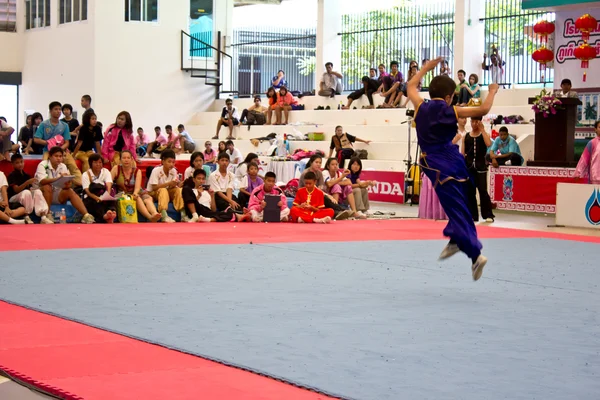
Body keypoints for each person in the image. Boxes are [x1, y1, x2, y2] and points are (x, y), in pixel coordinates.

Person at [406, 56, 499, 281]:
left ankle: (475, 254)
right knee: (459, 205)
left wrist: (426, 68)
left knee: (456, 209)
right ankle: (456, 239)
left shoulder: (420, 107)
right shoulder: (454, 110)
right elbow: (484, 108)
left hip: (436, 164)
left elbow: (410, 86)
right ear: (449, 97)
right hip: (455, 161)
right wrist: (493, 90)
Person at [35, 146, 95, 224]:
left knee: (69, 190)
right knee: (47, 186)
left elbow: (68, 184)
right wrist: (59, 178)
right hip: (42, 195)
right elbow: (42, 181)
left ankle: (86, 215)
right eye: (56, 156)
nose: (59, 158)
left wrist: (68, 183)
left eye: (60, 156)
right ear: (50, 156)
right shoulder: (43, 165)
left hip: (57, 194)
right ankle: (47, 214)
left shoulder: (63, 166)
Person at [33, 102, 82, 187]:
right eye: (56, 109)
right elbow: (36, 139)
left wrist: (59, 150)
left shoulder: (64, 125)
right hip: (48, 152)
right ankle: (44, 187)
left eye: (59, 109)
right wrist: (48, 143)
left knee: (74, 167)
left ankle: (80, 187)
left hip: (63, 151)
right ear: (50, 111)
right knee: (44, 165)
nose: (58, 111)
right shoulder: (44, 124)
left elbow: (67, 142)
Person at [183, 169, 251, 223]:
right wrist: (199, 195)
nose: (201, 181)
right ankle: (195, 216)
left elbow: (213, 209)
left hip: (206, 212)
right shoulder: (191, 191)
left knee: (227, 213)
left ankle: (208, 220)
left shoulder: (208, 192)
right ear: (194, 179)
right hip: (195, 211)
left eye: (203, 179)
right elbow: (190, 204)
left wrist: (212, 196)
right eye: (199, 178)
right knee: (185, 188)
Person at [111, 150, 161, 222]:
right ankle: (150, 217)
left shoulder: (137, 171)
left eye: (128, 158)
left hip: (136, 191)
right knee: (137, 199)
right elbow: (109, 182)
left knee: (148, 198)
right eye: (124, 158)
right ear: (120, 160)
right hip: (122, 193)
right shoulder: (116, 169)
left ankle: (155, 214)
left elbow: (137, 187)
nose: (126, 160)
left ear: (132, 159)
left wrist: (135, 193)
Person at [299, 154, 353, 220]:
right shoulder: (306, 173)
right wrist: (328, 195)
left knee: (324, 198)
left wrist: (326, 194)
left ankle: (339, 212)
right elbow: (311, 188)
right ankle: (341, 210)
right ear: (311, 162)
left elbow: (321, 188)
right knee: (324, 197)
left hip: (316, 194)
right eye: (316, 162)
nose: (318, 164)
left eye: (320, 163)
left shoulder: (319, 173)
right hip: (306, 195)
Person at [463, 117, 495, 222]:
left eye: (476, 121)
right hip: (469, 167)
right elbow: (463, 153)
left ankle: (488, 215)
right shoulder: (466, 136)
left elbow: (489, 144)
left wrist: (482, 130)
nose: (474, 124)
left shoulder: (484, 134)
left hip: (481, 167)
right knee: (470, 192)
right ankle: (473, 215)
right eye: (472, 121)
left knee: (483, 191)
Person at [7, 154, 48, 224]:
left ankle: (43, 216)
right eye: (17, 163)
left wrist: (35, 188)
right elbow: (16, 190)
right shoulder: (11, 175)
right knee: (26, 192)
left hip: (25, 195)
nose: (20, 164)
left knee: (37, 191)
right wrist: (27, 183)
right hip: (13, 198)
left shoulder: (27, 175)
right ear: (12, 164)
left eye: (21, 162)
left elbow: (30, 189)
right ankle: (26, 215)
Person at [147, 149, 185, 223]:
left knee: (179, 190)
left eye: (173, 162)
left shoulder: (174, 171)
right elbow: (154, 187)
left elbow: (171, 187)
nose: (171, 164)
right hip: (153, 193)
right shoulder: (156, 170)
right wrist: (169, 184)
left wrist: (177, 184)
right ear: (163, 161)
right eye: (169, 162)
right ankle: (164, 215)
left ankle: (183, 214)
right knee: (163, 190)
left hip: (167, 192)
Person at [82, 154, 117, 223]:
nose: (98, 164)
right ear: (90, 163)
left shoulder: (106, 171)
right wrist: (96, 198)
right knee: (94, 203)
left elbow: (109, 185)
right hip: (91, 196)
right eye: (95, 162)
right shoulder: (86, 174)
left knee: (112, 200)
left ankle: (111, 213)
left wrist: (107, 195)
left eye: (100, 162)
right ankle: (105, 216)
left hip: (104, 195)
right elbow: (87, 190)